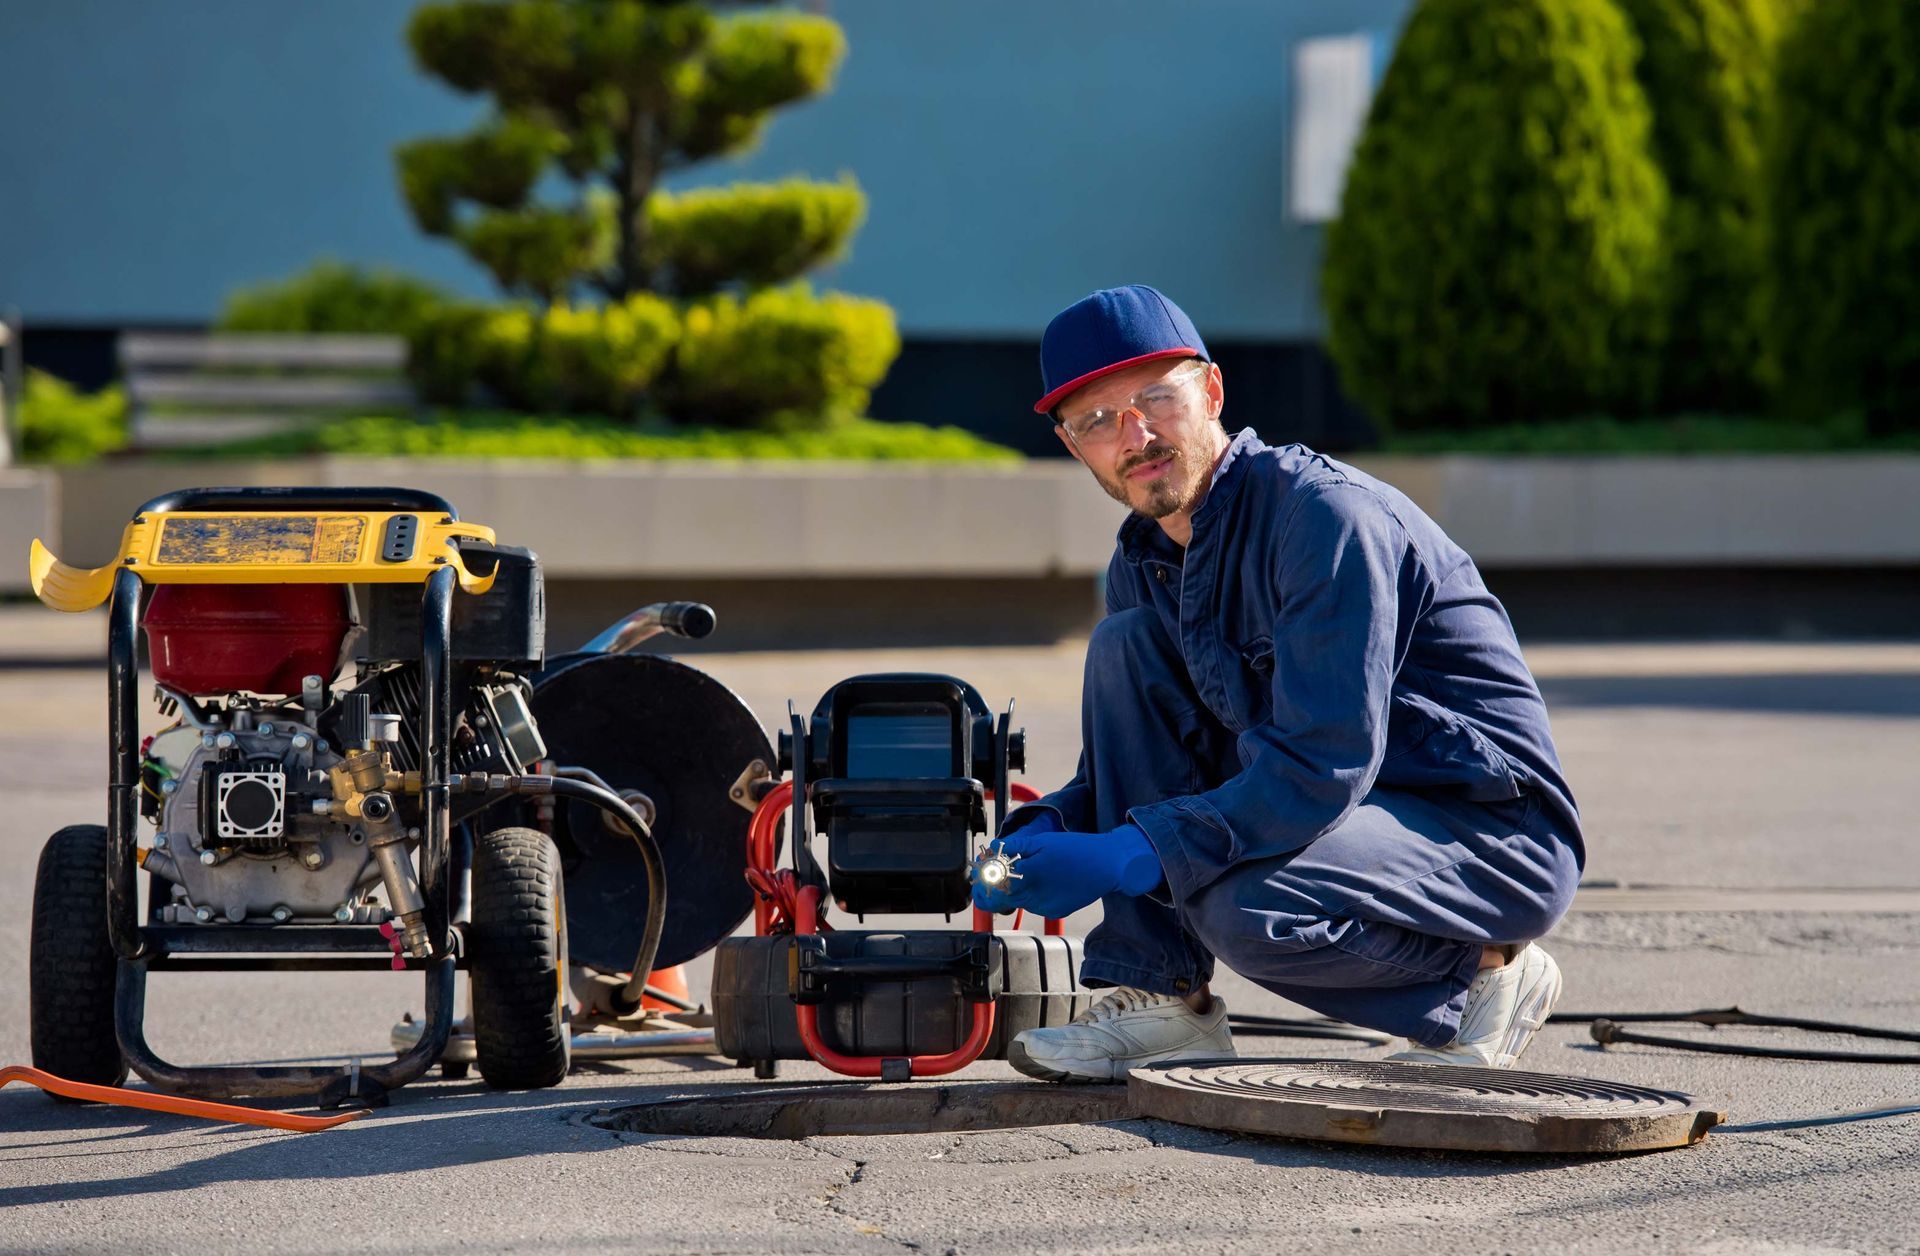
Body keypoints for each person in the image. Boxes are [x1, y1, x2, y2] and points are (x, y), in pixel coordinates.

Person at [973, 285, 1584, 1083]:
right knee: (1123, 646)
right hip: (1345, 814)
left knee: (1246, 908)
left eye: (1157, 397)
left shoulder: (1324, 519)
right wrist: (1054, 821)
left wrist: (1137, 850)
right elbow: (1145, 757)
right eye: (1098, 420)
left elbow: (1319, 762)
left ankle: (1486, 974)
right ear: (1072, 445)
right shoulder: (1144, 558)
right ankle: (1166, 1002)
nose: (1137, 434)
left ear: (1214, 391)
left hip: (1483, 832)